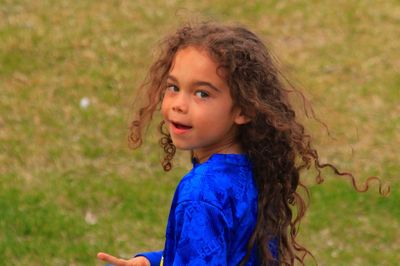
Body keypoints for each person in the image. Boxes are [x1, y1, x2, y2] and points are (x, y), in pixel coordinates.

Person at [97, 22, 389, 266]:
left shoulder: (201, 192)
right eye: (173, 87)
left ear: (244, 109)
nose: (179, 105)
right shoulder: (254, 167)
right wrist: (154, 260)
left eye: (202, 94)